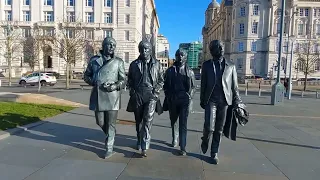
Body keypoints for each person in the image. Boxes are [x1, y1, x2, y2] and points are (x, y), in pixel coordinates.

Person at [200, 40, 245, 164]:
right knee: (209, 127)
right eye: (218, 47)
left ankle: (214, 152)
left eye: (222, 47)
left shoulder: (231, 66)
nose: (221, 49)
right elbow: (203, 84)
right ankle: (205, 139)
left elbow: (234, 87)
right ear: (212, 50)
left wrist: (238, 102)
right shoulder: (207, 65)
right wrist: (202, 100)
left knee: (219, 129)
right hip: (211, 100)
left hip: (224, 101)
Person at [84, 37, 126, 159]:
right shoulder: (94, 60)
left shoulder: (118, 62)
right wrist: (94, 82)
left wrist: (115, 86)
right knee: (100, 121)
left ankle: (109, 147)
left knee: (111, 123)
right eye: (109, 44)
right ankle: (111, 134)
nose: (112, 47)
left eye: (114, 45)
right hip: (98, 96)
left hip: (112, 97)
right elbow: (86, 75)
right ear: (104, 46)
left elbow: (123, 80)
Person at [126, 40, 164, 157]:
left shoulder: (157, 64)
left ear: (150, 50)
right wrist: (132, 92)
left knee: (147, 120)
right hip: (138, 94)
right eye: (142, 49)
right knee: (139, 121)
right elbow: (130, 81)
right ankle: (139, 139)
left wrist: (156, 92)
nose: (144, 51)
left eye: (146, 49)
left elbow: (161, 80)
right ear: (139, 50)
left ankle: (144, 146)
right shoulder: (134, 64)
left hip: (151, 95)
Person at [163, 48, 196, 155]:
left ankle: (183, 146)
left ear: (186, 57)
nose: (180, 57)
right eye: (178, 55)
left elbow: (194, 87)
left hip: (184, 101)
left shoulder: (189, 71)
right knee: (173, 121)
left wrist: (189, 96)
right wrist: (168, 95)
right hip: (173, 99)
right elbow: (165, 85)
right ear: (176, 57)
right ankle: (175, 137)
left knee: (183, 123)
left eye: (182, 55)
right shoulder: (170, 70)